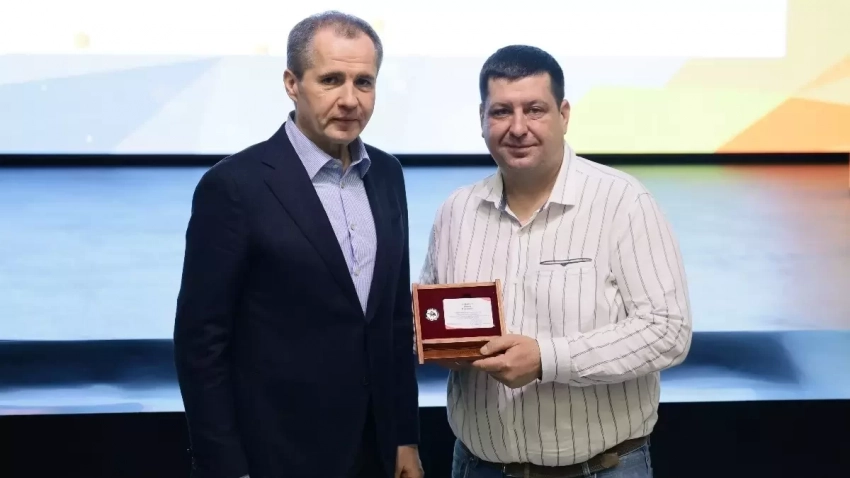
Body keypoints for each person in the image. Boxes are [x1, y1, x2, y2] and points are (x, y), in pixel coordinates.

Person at [418, 45, 692, 478]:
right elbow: (436, 324)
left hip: (602, 469)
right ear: (482, 118)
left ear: (563, 115)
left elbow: (667, 331)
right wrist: (441, 349)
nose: (518, 128)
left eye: (535, 110)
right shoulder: (456, 212)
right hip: (479, 467)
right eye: (501, 112)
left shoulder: (623, 202)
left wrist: (547, 358)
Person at [173, 11, 423, 478]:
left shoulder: (388, 175)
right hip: (275, 455)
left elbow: (391, 320)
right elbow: (201, 344)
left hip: (375, 451)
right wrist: (224, 467)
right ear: (292, 83)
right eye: (331, 80)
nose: (349, 100)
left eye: (364, 82)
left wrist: (404, 436)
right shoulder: (234, 186)